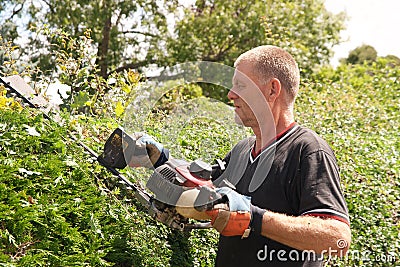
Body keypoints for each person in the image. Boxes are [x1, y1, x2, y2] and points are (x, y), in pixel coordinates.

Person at [134, 45, 351, 267]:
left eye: (241, 85)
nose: (230, 94)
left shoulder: (308, 151)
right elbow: (205, 189)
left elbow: (337, 238)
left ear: (272, 90)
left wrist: (252, 217)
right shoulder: (242, 150)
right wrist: (159, 160)